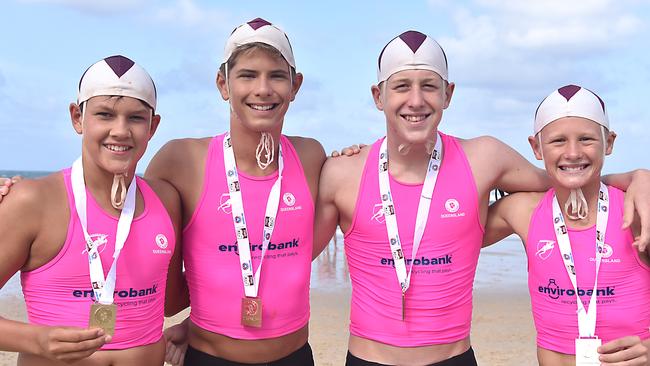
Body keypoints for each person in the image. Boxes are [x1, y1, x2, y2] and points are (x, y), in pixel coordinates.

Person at [313, 30, 650, 366]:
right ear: (378, 95)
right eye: (402, 86)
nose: (416, 100)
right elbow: (293, 253)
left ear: (448, 94)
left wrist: (636, 179)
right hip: (367, 358)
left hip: (454, 358)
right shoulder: (342, 173)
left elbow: (561, 179)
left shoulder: (485, 158)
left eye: (429, 86)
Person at [149, 18, 325, 365]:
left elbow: (299, 248)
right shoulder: (181, 160)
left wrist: (355, 153)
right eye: (247, 75)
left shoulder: (311, 157)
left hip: (295, 356)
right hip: (209, 357)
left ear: (295, 85)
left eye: (276, 75)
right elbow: (123, 218)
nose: (263, 89)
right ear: (222, 83)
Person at [0, 55, 182, 365]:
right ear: (77, 117)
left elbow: (174, 299)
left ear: (153, 126)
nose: (120, 131)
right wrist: (36, 339)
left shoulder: (166, 200)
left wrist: (192, 327)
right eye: (105, 115)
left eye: (135, 118)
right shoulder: (33, 201)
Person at [483, 84, 650, 365]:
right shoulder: (524, 211)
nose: (572, 153)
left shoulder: (637, 211)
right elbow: (446, 234)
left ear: (609, 142)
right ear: (536, 147)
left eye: (586, 139)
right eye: (558, 141)